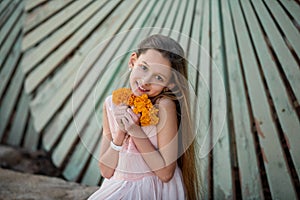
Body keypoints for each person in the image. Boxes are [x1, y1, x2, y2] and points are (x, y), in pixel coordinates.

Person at [88, 34, 201, 200]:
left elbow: (165, 174)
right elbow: (106, 171)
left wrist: (134, 130)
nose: (146, 81)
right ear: (133, 61)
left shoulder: (163, 107)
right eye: (144, 67)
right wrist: (120, 133)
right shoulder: (111, 104)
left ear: (169, 83)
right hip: (119, 184)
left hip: (155, 189)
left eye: (158, 77)